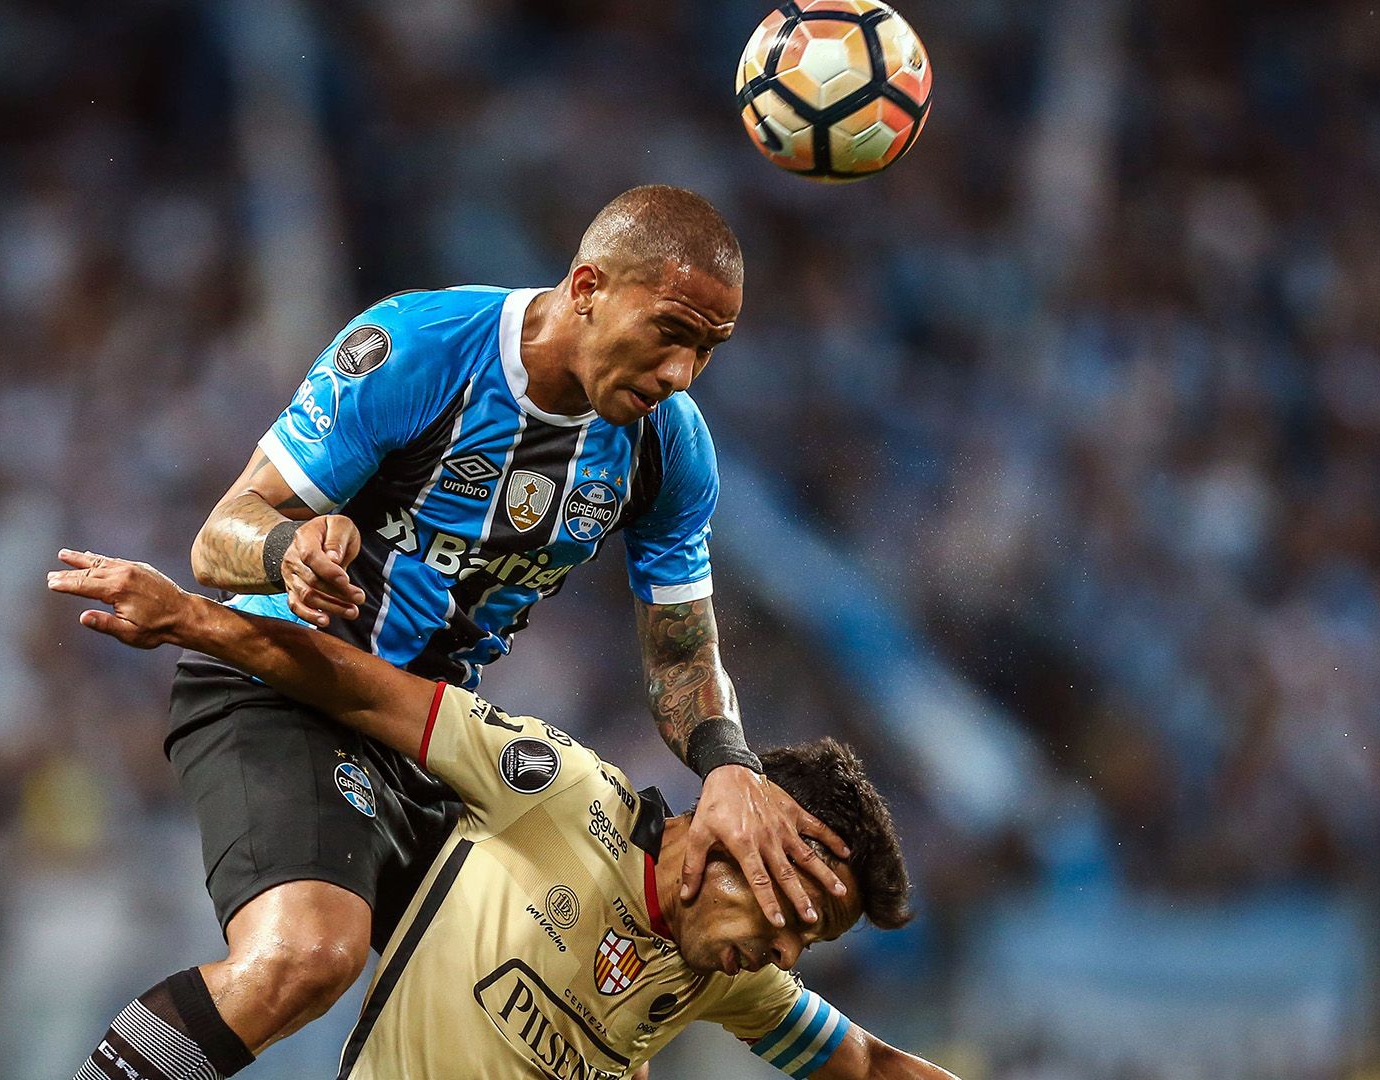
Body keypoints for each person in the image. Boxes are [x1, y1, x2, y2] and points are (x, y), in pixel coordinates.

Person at [72, 185, 850, 1080]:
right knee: (308, 954)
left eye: (708, 350)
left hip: (427, 737)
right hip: (279, 683)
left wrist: (729, 767)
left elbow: (681, 652)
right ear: (589, 287)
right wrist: (287, 550)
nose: (681, 372)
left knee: (584, 996)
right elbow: (222, 536)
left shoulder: (670, 449)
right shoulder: (421, 347)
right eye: (671, 331)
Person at [51, 550, 961, 1080]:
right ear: (739, 835)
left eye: (810, 942)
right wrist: (191, 618)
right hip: (284, 727)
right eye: (795, 913)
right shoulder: (560, 792)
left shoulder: (726, 976)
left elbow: (872, 1068)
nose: (788, 956)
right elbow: (368, 693)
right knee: (299, 957)